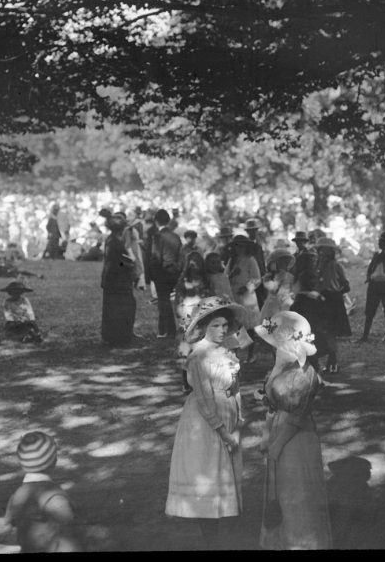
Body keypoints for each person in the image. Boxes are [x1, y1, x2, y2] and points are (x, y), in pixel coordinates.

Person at [165, 297, 247, 550]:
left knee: (224, 472)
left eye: (225, 325)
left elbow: (234, 385)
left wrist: (238, 416)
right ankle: (210, 536)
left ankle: (223, 523)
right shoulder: (199, 356)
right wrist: (222, 431)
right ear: (203, 327)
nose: (222, 330)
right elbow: (203, 398)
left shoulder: (225, 349)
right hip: (205, 422)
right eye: (216, 326)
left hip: (228, 412)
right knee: (208, 471)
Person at [253, 311, 332, 549]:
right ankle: (282, 542)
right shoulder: (282, 364)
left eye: (276, 342)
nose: (272, 347)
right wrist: (268, 436)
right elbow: (274, 401)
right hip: (279, 430)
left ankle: (300, 542)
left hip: (295, 439)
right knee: (282, 491)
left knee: (296, 493)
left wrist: (277, 444)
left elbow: (298, 416)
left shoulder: (303, 373)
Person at [4, 431, 81, 552]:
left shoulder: (16, 496)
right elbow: (70, 537)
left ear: (22, 465)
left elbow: (10, 524)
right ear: (54, 461)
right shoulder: (54, 498)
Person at [100, 211, 140, 348]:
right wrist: (130, 264)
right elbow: (120, 262)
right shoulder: (116, 242)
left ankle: (112, 335)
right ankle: (120, 336)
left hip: (110, 279)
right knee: (123, 307)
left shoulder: (111, 240)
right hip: (118, 280)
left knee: (111, 307)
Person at [174, 252, 209, 393]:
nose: (194, 265)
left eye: (197, 262)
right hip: (187, 314)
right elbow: (178, 297)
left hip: (202, 314)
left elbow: (209, 295)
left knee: (201, 348)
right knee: (186, 348)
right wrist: (179, 309)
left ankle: (200, 379)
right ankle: (185, 382)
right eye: (191, 262)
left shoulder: (204, 280)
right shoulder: (183, 280)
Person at [315, 237, 351, 372]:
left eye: (326, 251)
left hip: (332, 299)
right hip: (320, 299)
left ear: (331, 252)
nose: (323, 254)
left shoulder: (336, 266)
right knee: (322, 331)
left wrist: (336, 292)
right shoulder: (317, 266)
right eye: (321, 251)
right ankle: (328, 359)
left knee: (331, 331)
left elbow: (346, 285)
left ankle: (333, 360)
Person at [226, 232, 263, 362]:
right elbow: (225, 277)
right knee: (236, 324)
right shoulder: (232, 261)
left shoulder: (250, 260)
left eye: (241, 246)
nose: (239, 249)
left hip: (247, 295)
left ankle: (251, 353)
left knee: (249, 325)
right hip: (234, 294)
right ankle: (235, 352)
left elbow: (257, 278)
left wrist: (247, 287)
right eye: (237, 246)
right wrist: (232, 273)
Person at [147, 209, 183, 339]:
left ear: (156, 221)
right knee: (165, 300)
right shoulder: (176, 236)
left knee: (163, 301)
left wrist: (152, 274)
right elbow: (181, 256)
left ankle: (169, 330)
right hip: (174, 271)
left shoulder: (158, 236)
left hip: (162, 271)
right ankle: (162, 330)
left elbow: (156, 256)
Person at [289, 270, 329, 377]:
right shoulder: (318, 298)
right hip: (315, 330)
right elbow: (324, 314)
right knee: (312, 356)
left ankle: (312, 377)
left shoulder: (299, 299)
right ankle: (316, 375)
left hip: (302, 332)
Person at [260, 248, 296, 322]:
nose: (283, 264)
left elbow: (293, 289)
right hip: (272, 303)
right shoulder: (269, 277)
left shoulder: (290, 276)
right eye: (281, 262)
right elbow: (272, 289)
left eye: (285, 262)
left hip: (286, 303)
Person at [245, 218, 269, 310]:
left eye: (255, 230)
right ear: (248, 232)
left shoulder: (258, 243)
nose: (253, 233)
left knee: (262, 299)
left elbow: (261, 260)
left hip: (261, 275)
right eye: (251, 231)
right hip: (252, 277)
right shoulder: (247, 245)